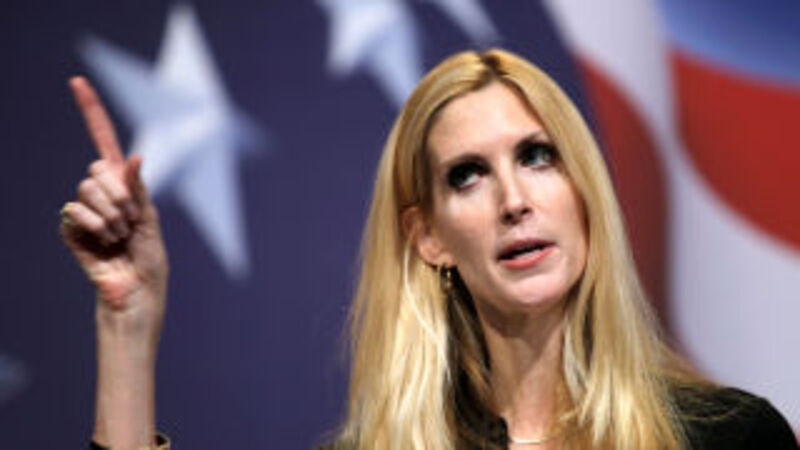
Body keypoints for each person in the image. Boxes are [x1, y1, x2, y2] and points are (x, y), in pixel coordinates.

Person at [61, 49, 797, 449]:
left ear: (585, 194)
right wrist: (127, 323)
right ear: (430, 238)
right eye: (468, 175)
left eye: (538, 156)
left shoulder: (734, 441)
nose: (514, 199)